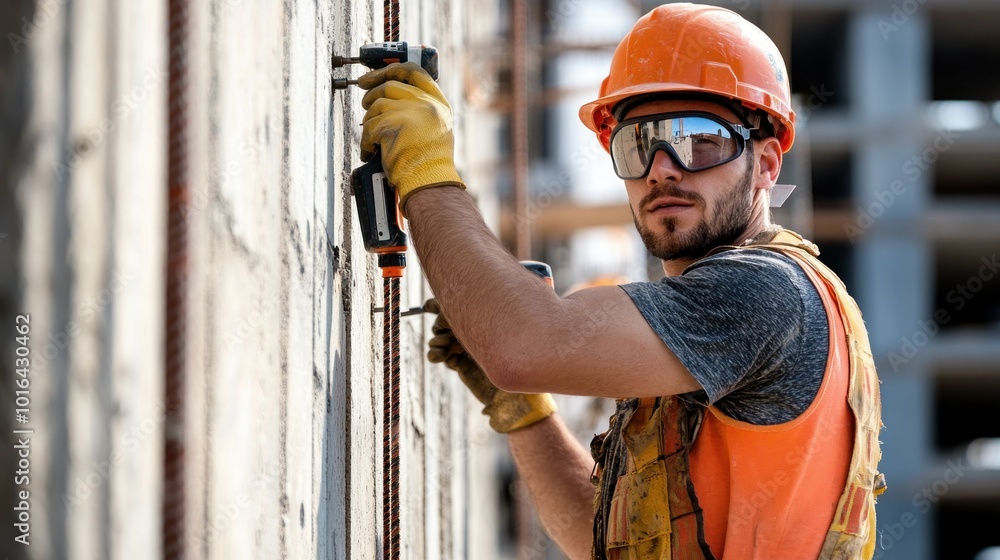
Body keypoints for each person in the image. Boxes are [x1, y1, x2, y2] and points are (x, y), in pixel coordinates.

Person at [357, 3, 885, 559]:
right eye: (639, 143)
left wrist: (424, 166)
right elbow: (604, 540)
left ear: (769, 163)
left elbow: (524, 343)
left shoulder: (766, 295)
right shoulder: (707, 334)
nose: (663, 168)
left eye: (700, 140)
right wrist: (525, 411)